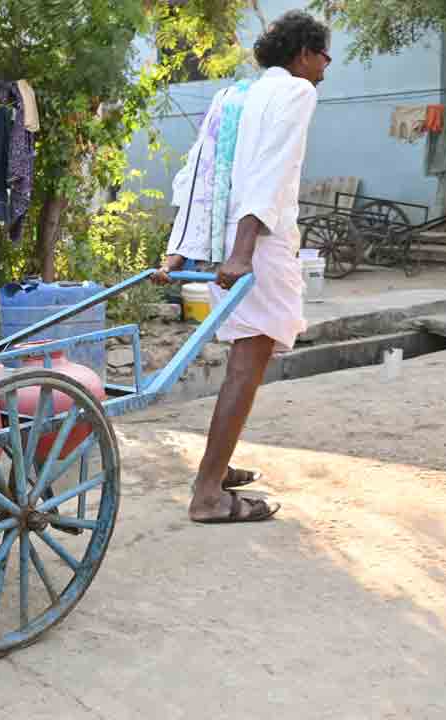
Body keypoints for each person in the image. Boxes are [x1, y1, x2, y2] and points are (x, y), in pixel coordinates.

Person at [154, 10, 331, 524]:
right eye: (323, 56)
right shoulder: (297, 93)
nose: (325, 68)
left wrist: (179, 252)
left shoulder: (231, 96)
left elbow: (197, 175)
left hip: (217, 244)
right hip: (254, 246)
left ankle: (217, 464)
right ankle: (208, 493)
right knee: (247, 366)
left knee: (244, 358)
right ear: (303, 54)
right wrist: (243, 251)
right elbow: (271, 173)